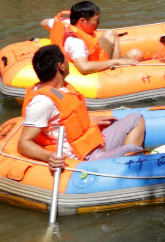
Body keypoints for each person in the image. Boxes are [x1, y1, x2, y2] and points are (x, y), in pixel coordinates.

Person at [15, 44, 146, 170]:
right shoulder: (42, 102)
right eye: (66, 60)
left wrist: (89, 119)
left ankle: (116, 162)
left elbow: (66, 117)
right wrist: (49, 157)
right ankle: (118, 168)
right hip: (82, 158)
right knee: (131, 150)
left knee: (136, 119)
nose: (68, 63)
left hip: (92, 143)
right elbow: (24, 143)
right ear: (61, 66)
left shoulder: (61, 88)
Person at [45, 0, 138, 75]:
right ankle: (117, 70)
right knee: (136, 54)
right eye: (96, 19)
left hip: (91, 53)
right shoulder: (76, 43)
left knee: (111, 34)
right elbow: (84, 68)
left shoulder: (65, 23)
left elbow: (44, 22)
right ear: (82, 21)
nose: (99, 23)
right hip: (94, 64)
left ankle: (118, 65)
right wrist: (115, 62)